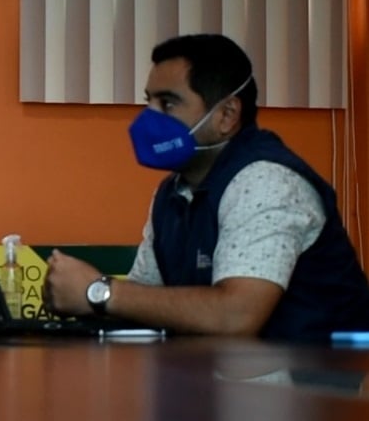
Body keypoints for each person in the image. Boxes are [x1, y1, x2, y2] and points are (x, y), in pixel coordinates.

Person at [44, 34, 369, 341]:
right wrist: (77, 297)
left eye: (167, 104)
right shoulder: (173, 192)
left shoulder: (267, 180)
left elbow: (236, 316)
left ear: (226, 115)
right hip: (233, 375)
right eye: (148, 102)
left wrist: (98, 292)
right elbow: (144, 301)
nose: (148, 118)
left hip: (321, 377)